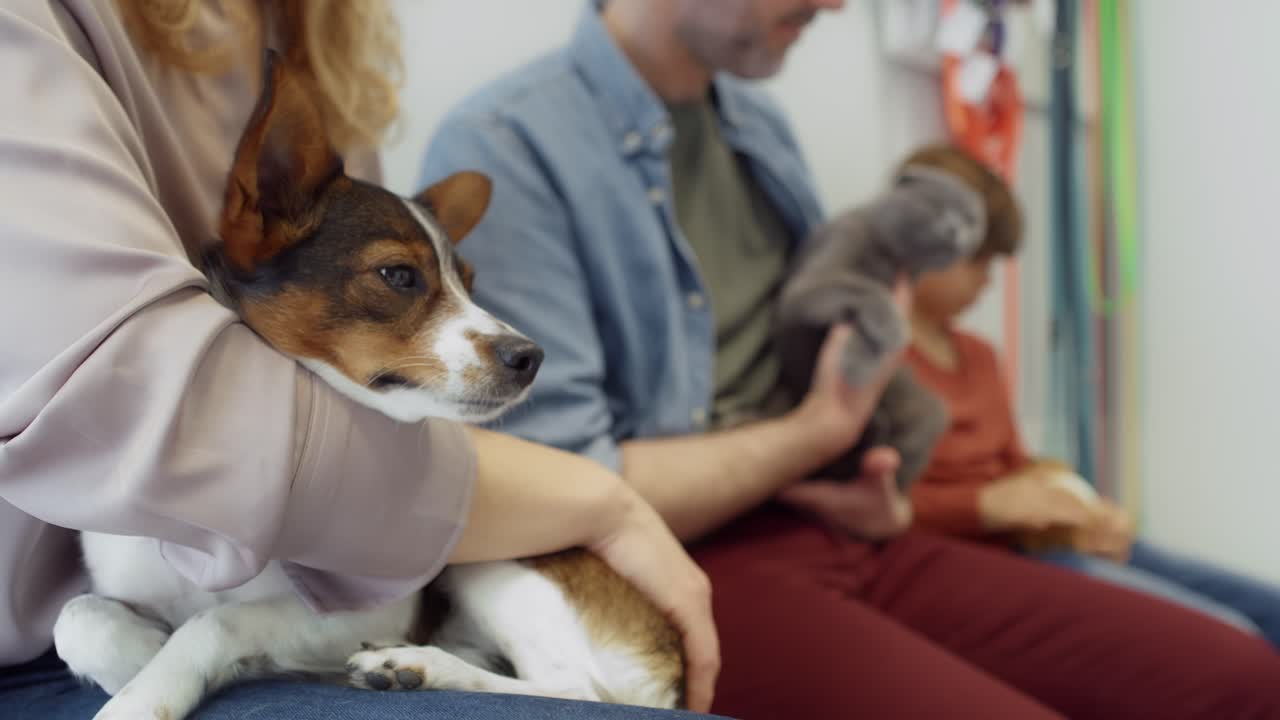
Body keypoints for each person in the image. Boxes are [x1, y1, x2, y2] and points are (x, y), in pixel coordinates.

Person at [420, 0, 1280, 717]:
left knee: (1245, 677)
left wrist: (866, 477)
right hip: (687, 564)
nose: (833, 4)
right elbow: (568, 486)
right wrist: (815, 430)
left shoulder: (760, 126)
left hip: (842, 529)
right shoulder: (506, 146)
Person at [0, 2, 723, 718]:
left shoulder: (320, 55)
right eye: (403, 280)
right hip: (43, 660)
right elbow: (133, 402)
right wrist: (603, 501)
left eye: (446, 284)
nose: (493, 334)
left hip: (485, 650)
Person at [900, 143, 1280, 648]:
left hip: (1039, 542)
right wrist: (985, 506)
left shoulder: (980, 355)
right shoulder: (874, 358)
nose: (988, 279)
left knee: (1268, 609)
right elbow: (878, 507)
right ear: (919, 241)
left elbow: (1017, 465)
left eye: (995, 261)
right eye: (978, 260)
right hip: (982, 561)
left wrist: (1084, 508)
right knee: (1231, 637)